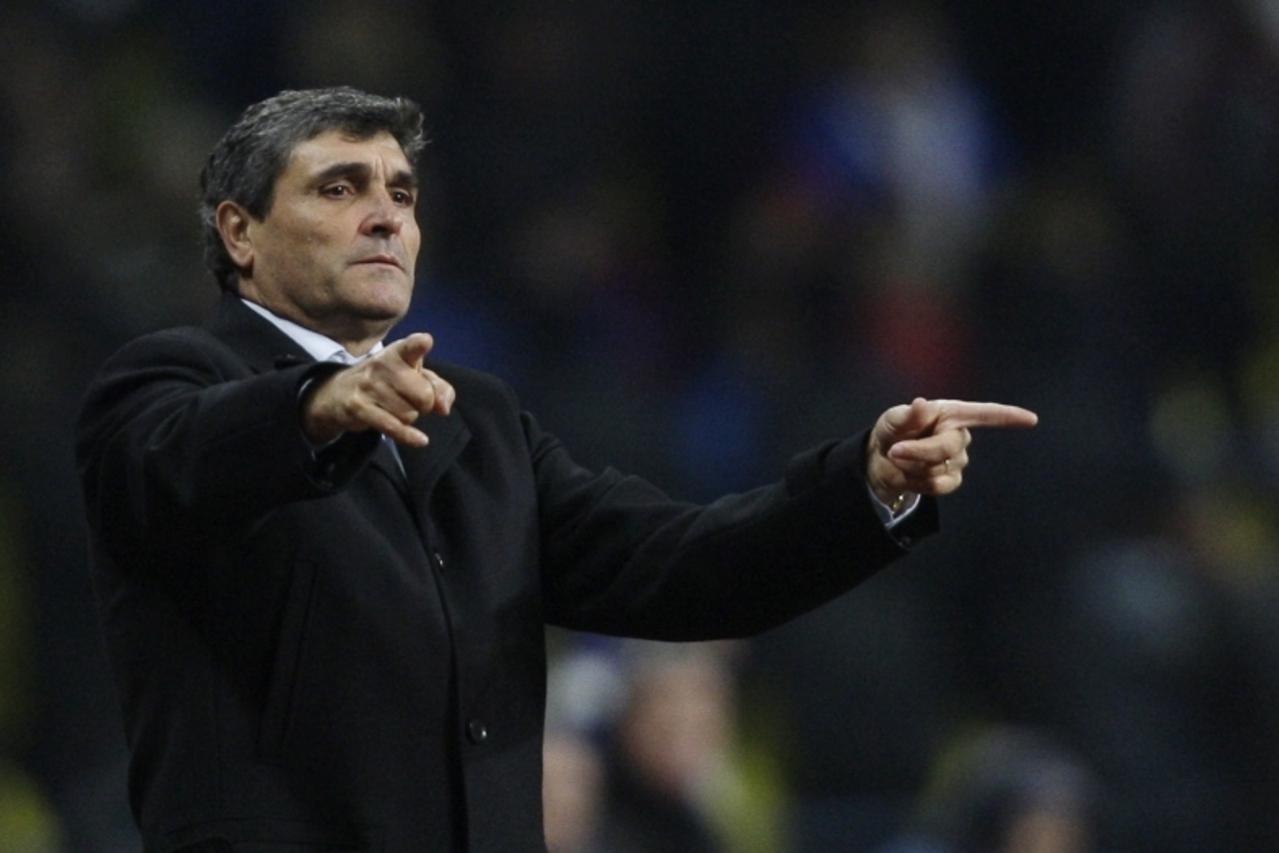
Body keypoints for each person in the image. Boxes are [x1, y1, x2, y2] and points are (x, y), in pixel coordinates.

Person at [75, 87, 1037, 853]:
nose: (384, 217)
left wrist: (864, 486)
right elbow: (173, 460)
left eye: (400, 193)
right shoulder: (170, 382)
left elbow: (677, 562)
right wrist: (309, 409)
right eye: (339, 188)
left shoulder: (478, 421)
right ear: (239, 233)